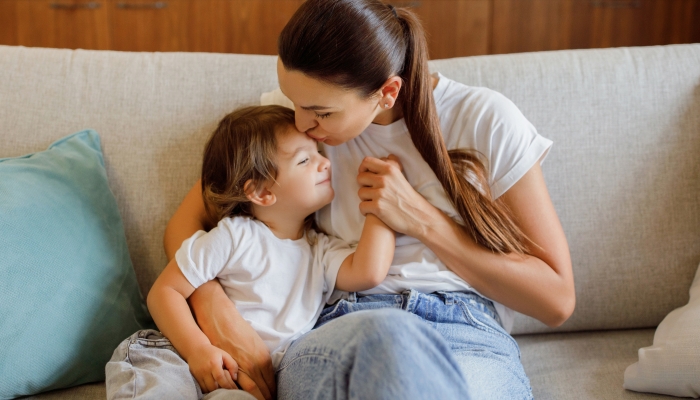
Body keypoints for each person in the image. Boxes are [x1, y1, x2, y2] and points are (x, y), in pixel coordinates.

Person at [165, 1, 576, 399]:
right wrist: (215, 310)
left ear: (387, 92)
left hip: (464, 332)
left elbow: (556, 300)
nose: (302, 123)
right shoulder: (288, 133)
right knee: (385, 346)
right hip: (342, 328)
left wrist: (423, 221)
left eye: (322, 113)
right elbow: (187, 225)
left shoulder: (484, 119)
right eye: (294, 103)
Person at [105, 105, 398, 400]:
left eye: (319, 153)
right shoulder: (236, 236)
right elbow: (164, 292)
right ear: (261, 192)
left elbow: (368, 271)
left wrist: (381, 205)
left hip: (238, 384)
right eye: (305, 160)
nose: (325, 164)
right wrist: (198, 350)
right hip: (177, 356)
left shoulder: (318, 251)